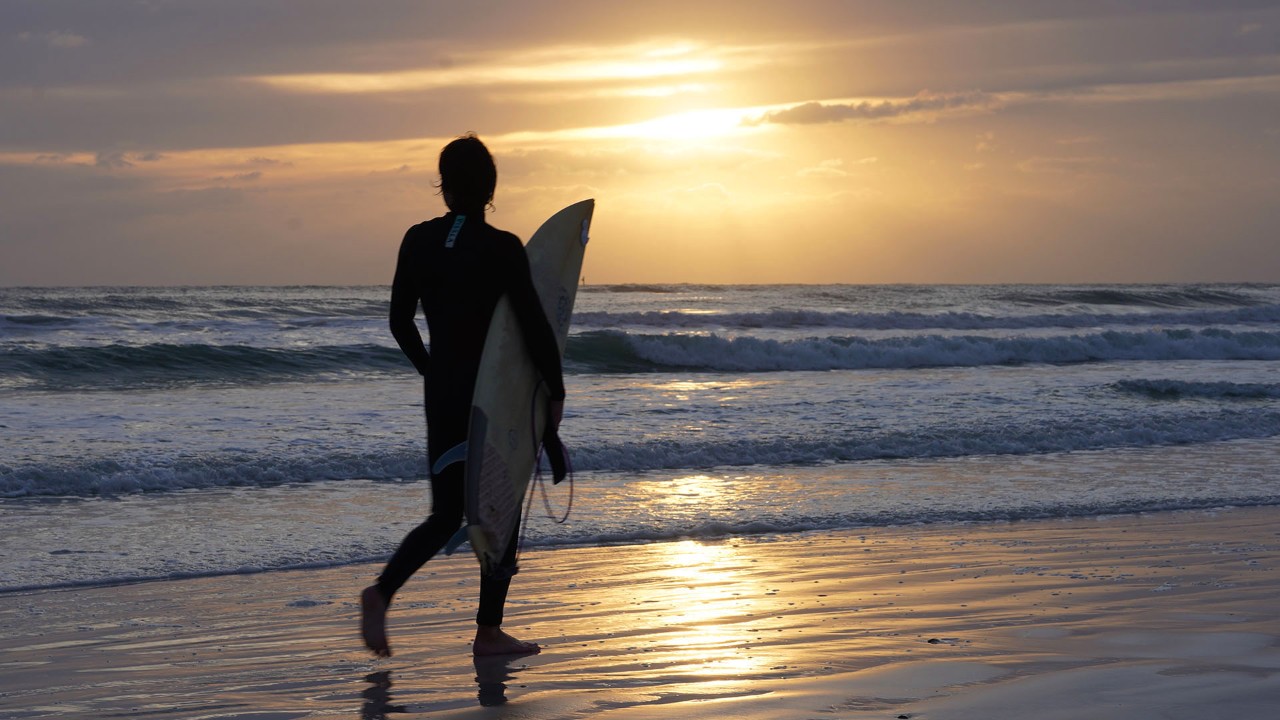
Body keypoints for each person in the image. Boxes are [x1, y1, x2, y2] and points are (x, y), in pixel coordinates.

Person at [361, 134, 566, 658]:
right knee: (501, 506)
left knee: (447, 513)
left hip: (443, 394)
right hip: (490, 400)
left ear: (445, 187)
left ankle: (382, 593)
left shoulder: (416, 240)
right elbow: (535, 330)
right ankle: (489, 631)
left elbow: (399, 322)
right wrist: (555, 400)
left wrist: (432, 371)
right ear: (490, 191)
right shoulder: (501, 248)